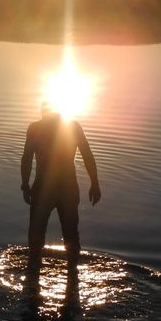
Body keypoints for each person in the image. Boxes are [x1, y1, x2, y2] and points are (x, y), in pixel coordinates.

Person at [20, 103, 101, 270]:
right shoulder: (72, 127)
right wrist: (94, 183)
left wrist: (25, 184)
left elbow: (27, 158)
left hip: (45, 189)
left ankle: (34, 278)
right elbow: (87, 155)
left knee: (38, 237)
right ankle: (72, 276)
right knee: (70, 234)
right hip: (66, 188)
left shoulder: (36, 128)